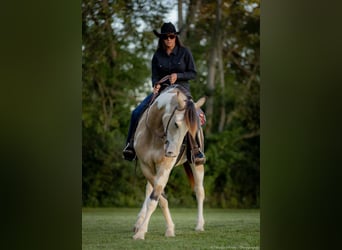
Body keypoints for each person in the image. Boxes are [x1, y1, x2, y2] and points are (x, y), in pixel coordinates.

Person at [122, 22, 205, 165]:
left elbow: (193, 73)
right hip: (162, 92)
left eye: (171, 36)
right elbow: (154, 76)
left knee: (194, 115)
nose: (169, 40)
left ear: (175, 37)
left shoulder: (185, 52)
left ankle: (196, 150)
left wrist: (178, 76)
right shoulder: (157, 55)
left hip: (181, 91)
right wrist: (155, 85)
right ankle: (130, 146)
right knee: (136, 112)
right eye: (165, 37)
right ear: (162, 39)